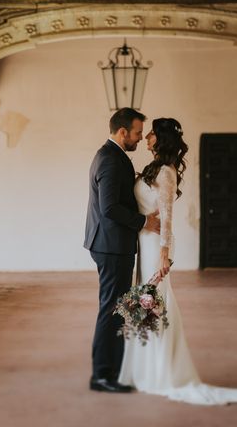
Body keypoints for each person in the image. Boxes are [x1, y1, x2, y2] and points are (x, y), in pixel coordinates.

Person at [118, 117, 237, 405]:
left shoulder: (167, 172)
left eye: (151, 133)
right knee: (145, 302)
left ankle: (160, 372)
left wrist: (164, 256)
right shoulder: (153, 169)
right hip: (144, 242)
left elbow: (168, 218)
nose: (147, 136)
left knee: (153, 303)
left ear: (161, 139)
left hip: (155, 247)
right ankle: (145, 368)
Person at [84, 107, 160, 393]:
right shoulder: (110, 160)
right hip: (111, 245)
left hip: (112, 243)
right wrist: (144, 222)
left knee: (115, 308)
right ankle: (103, 375)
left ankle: (112, 368)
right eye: (138, 133)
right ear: (123, 132)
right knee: (111, 309)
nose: (140, 138)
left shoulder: (114, 156)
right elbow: (109, 208)